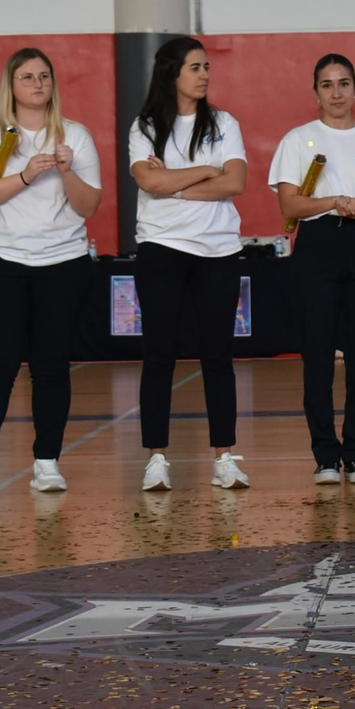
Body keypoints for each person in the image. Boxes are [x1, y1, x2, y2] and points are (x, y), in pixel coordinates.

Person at [0, 48, 102, 498]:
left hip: (63, 263)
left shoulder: (76, 136)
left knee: (52, 366)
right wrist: (27, 176)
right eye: (27, 76)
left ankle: (47, 462)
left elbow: (89, 206)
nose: (37, 84)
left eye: (44, 76)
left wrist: (68, 172)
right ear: (10, 86)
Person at [271, 54, 355, 486]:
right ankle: (326, 456)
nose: (336, 93)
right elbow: (291, 205)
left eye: (344, 83)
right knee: (317, 355)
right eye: (327, 85)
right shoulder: (297, 140)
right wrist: (334, 201)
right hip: (317, 246)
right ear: (316, 93)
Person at [129, 36, 250, 492]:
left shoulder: (224, 122)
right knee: (159, 354)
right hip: (161, 247)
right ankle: (156, 457)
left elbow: (235, 181)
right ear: (171, 73)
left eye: (206, 67)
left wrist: (172, 183)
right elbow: (146, 179)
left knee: (218, 356)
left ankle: (224, 457)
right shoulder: (144, 127)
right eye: (195, 67)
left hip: (218, 251)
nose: (204, 75)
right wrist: (205, 171)